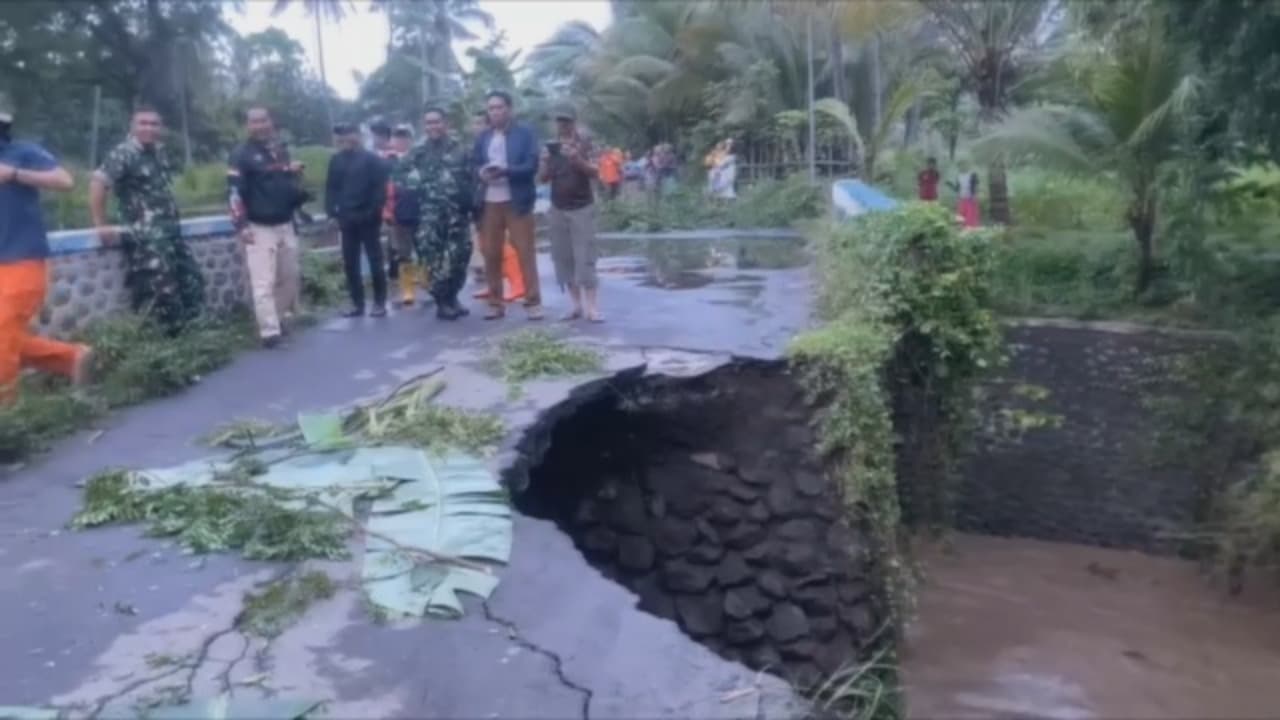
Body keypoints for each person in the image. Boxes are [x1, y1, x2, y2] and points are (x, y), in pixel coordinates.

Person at [0, 93, 94, 404]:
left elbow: (65, 181)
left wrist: (14, 175)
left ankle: (7, 418)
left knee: (3, 334)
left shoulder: (21, 153)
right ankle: (71, 357)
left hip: (22, 261)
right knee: (7, 338)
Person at [90, 106, 205, 335]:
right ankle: (167, 342)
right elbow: (98, 183)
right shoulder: (124, 153)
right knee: (160, 290)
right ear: (132, 126)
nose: (149, 128)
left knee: (192, 279)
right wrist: (100, 224)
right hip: (146, 236)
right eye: (143, 123)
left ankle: (192, 335)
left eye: (154, 124)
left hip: (170, 232)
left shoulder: (158, 152)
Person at [226, 107, 306, 348]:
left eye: (263, 120)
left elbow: (284, 182)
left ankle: (279, 319)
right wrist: (241, 225)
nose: (259, 125)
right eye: (254, 122)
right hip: (258, 227)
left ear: (272, 122)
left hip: (285, 224)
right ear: (247, 126)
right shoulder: (240, 155)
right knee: (263, 282)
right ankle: (269, 332)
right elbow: (233, 192)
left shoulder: (280, 151)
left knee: (290, 278)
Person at [472, 90, 542, 321]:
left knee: (525, 252)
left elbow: (531, 165)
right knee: (491, 253)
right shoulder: (483, 137)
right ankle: (495, 303)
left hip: (517, 200)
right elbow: (474, 165)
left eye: (499, 107)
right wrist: (482, 174)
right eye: (491, 108)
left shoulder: (525, 133)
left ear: (509, 109)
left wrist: (506, 171)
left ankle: (533, 302)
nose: (495, 112)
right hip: (489, 201)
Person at [399, 107, 474, 320]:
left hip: (457, 213)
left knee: (461, 256)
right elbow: (400, 175)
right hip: (429, 215)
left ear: (446, 123)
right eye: (429, 123)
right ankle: (441, 301)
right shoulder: (418, 151)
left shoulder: (460, 148)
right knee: (433, 260)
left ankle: (453, 295)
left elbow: (472, 176)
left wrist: (470, 201)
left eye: (437, 122)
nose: (433, 127)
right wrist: (422, 186)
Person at [539, 105, 602, 323]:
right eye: (559, 121)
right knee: (563, 258)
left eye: (566, 121)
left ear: (574, 122)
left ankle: (592, 307)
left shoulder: (586, 143)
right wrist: (546, 161)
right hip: (558, 206)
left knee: (585, 257)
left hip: (582, 206)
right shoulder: (551, 146)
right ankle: (575, 305)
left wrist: (577, 159)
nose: (563, 125)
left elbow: (596, 171)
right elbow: (543, 178)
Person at [325, 122, 389, 318]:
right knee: (350, 262)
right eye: (342, 135)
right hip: (346, 218)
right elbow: (331, 189)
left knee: (375, 260)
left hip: (368, 217)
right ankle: (357, 303)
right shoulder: (336, 160)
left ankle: (379, 302)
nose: (346, 139)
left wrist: (372, 211)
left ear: (358, 135)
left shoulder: (372, 160)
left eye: (350, 134)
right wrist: (331, 213)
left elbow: (380, 189)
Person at [468, 109, 525, 303]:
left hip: (501, 199)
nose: (476, 128)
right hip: (479, 201)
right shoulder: (476, 146)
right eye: (473, 123)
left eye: (480, 123)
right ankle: (494, 284)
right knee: (485, 245)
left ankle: (517, 283)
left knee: (503, 244)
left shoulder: (496, 143)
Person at [384, 124, 421, 307]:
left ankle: (425, 286)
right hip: (397, 214)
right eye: (397, 137)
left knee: (423, 250)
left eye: (405, 137)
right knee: (402, 253)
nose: (401, 141)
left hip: (420, 211)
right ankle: (407, 290)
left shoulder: (419, 158)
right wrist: (386, 211)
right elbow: (381, 189)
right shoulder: (387, 162)